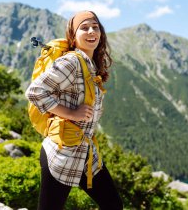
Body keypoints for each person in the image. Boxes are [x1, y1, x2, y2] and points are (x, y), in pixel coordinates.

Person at [26, 11, 123, 210]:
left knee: (113, 205)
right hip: (62, 152)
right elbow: (35, 92)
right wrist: (72, 113)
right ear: (73, 35)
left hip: (86, 153)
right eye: (84, 27)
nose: (91, 31)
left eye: (95, 27)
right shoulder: (71, 62)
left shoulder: (91, 65)